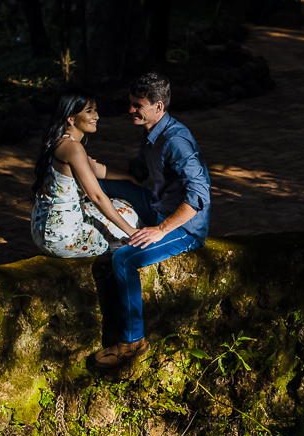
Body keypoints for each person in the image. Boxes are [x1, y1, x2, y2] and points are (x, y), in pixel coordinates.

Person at [84, 73, 212, 369]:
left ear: (158, 106)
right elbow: (138, 171)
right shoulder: (152, 132)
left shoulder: (176, 141)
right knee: (93, 183)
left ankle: (133, 341)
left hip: (184, 227)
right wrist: (88, 165)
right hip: (155, 202)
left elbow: (200, 194)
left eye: (136, 105)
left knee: (125, 259)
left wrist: (160, 230)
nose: (130, 110)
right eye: (130, 103)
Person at [30, 89, 139, 258]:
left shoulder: (61, 142)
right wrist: (132, 232)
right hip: (61, 238)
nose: (96, 116)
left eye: (95, 109)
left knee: (122, 207)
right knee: (128, 236)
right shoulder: (73, 148)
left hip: (43, 230)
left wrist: (129, 177)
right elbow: (96, 196)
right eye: (89, 111)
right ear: (71, 118)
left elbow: (96, 168)